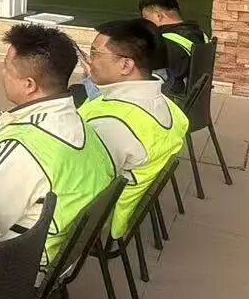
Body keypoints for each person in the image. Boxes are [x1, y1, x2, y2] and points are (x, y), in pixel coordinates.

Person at [0, 23, 114, 279]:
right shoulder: (80, 122)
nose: (2, 73)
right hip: (60, 255)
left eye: (7, 68)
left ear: (29, 85)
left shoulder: (25, 145)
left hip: (18, 271)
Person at [79, 19, 188, 241]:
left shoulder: (113, 125)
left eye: (95, 54)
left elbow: (75, 182)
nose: (90, 61)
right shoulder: (171, 108)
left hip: (96, 222)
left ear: (126, 65)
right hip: (118, 205)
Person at [138, 0, 207, 97]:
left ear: (158, 16)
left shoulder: (164, 44)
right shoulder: (200, 34)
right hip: (192, 96)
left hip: (170, 100)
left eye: (146, 18)